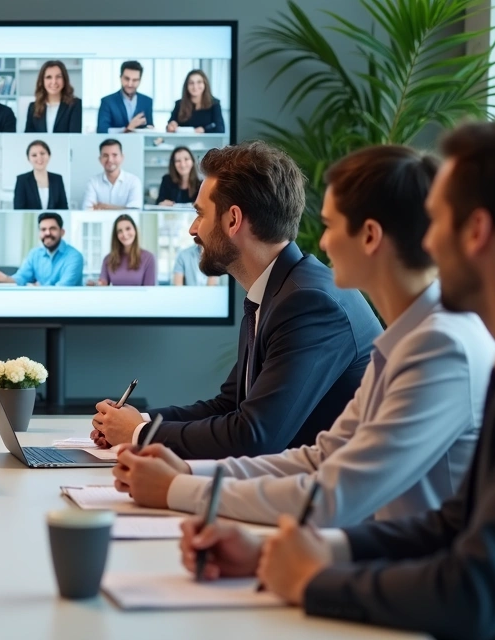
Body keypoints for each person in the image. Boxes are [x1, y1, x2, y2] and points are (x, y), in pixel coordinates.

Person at [181, 119, 495, 640]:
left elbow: (479, 589)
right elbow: (453, 524)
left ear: (477, 231)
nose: (425, 241)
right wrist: (294, 553)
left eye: (435, 221)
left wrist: (316, 580)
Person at [113, 146, 495, 529]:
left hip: (414, 569)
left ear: (370, 236)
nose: (322, 244)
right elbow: (321, 458)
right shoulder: (407, 340)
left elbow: (338, 493)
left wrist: (178, 488)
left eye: (330, 226)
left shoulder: (439, 347)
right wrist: (188, 475)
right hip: (378, 550)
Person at [91, 141, 382, 458]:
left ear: (233, 220)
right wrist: (133, 422)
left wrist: (140, 433)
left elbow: (255, 436)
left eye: (200, 214)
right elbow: (229, 406)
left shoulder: (308, 302)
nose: (192, 228)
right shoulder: (276, 291)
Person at [0, 212, 84, 287]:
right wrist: (6, 279)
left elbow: (62, 289)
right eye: (43, 229)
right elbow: (22, 277)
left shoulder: (74, 257)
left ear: (62, 232)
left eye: (52, 228)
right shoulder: (34, 254)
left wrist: (38, 288)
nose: (47, 233)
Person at [91, 214, 156, 286]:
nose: (124, 234)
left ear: (135, 230)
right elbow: (102, 284)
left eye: (128, 229)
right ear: (116, 235)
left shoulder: (148, 258)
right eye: (120, 231)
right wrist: (95, 284)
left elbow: (150, 291)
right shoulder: (108, 259)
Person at [82, 139, 143, 210]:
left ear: (122, 157)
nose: (110, 160)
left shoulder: (133, 181)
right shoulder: (93, 182)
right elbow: (87, 210)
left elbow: (135, 210)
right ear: (100, 159)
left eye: (114, 155)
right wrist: (123, 208)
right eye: (105, 155)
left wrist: (107, 207)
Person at [24, 60, 82, 133]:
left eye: (58, 77)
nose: (54, 82)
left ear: (64, 79)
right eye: (49, 77)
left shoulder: (75, 105)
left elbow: (74, 137)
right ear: (42, 81)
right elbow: (29, 137)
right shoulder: (33, 107)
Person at [96, 60, 153, 134]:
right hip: (115, 144)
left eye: (135, 80)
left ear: (140, 81)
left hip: (138, 144)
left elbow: (149, 127)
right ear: (121, 78)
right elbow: (102, 130)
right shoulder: (107, 101)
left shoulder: (147, 101)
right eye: (127, 79)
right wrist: (128, 128)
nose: (130, 84)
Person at [164, 69, 225, 134]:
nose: (195, 86)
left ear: (205, 84)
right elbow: (169, 126)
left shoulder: (214, 104)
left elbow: (220, 129)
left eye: (199, 82)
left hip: (207, 142)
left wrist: (204, 130)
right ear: (186, 86)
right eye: (191, 83)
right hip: (183, 143)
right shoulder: (179, 104)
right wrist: (171, 126)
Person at [13, 140, 69, 209]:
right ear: (28, 159)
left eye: (42, 153)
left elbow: (63, 207)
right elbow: (18, 208)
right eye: (34, 155)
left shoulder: (58, 179)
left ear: (49, 156)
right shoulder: (22, 180)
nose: (39, 158)